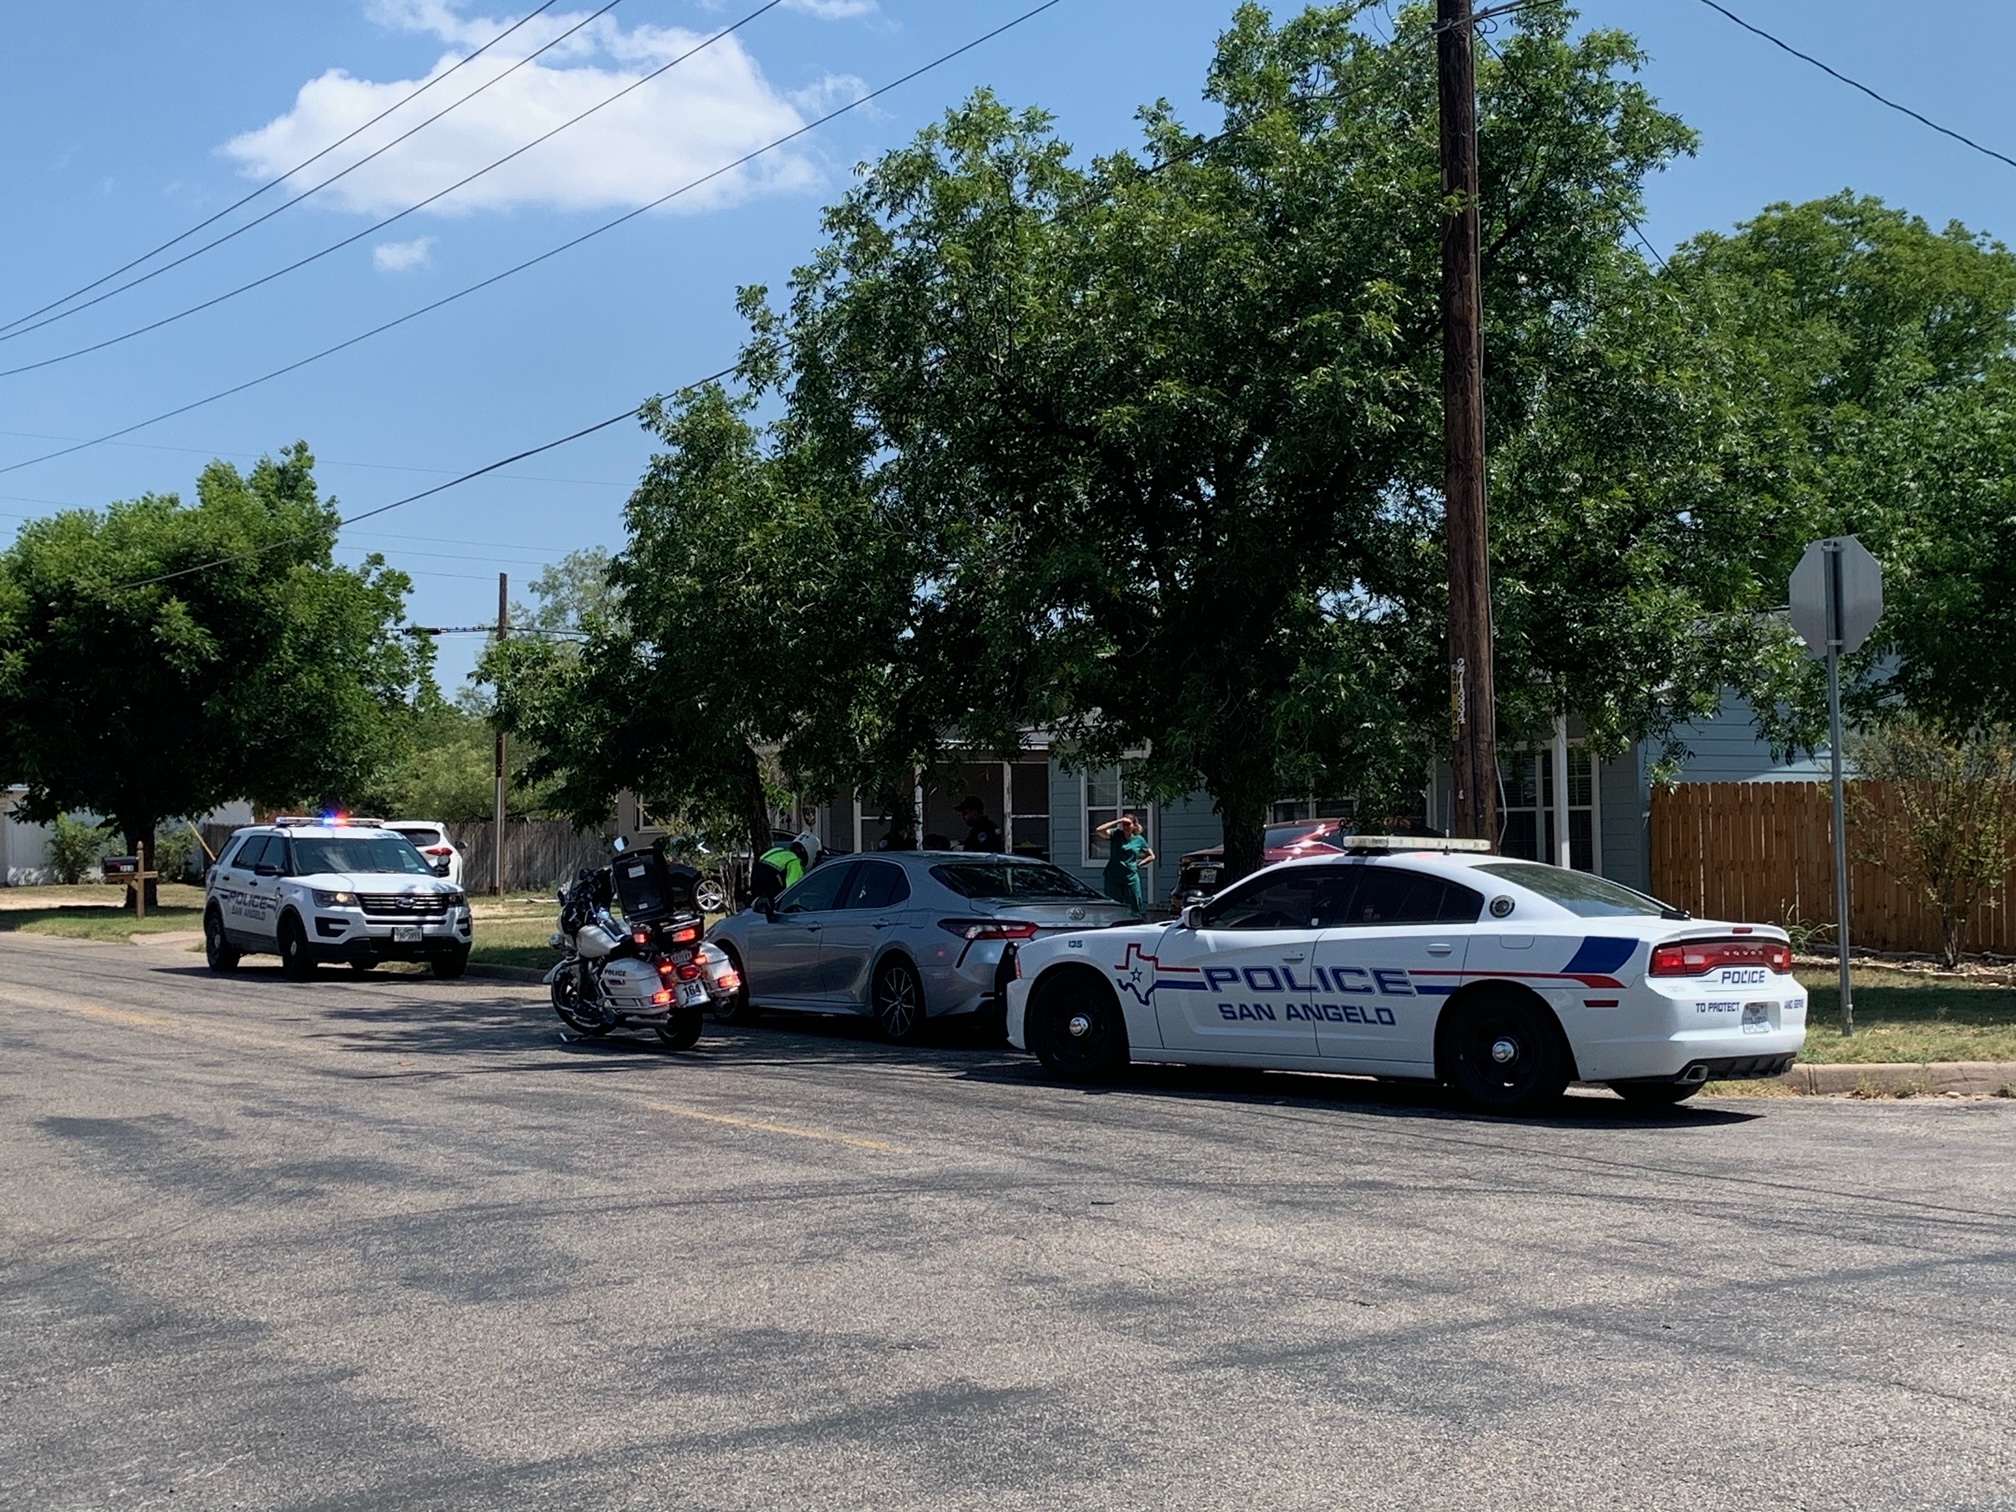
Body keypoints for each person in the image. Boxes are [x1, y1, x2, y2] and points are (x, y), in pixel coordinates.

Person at [1095, 813, 1155, 914]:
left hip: (1130, 877)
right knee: (1114, 907)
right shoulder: (1116, 834)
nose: (1126, 827)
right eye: (1124, 825)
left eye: (1128, 824)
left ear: (1134, 825)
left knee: (1134, 906)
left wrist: (1139, 864)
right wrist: (1118, 821)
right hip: (1113, 877)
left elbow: (1151, 856)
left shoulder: (1139, 839)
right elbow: (1099, 830)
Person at [751, 829, 820, 907]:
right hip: (772, 898)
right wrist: (796, 908)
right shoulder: (795, 861)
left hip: (756, 892)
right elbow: (793, 890)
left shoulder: (777, 851)